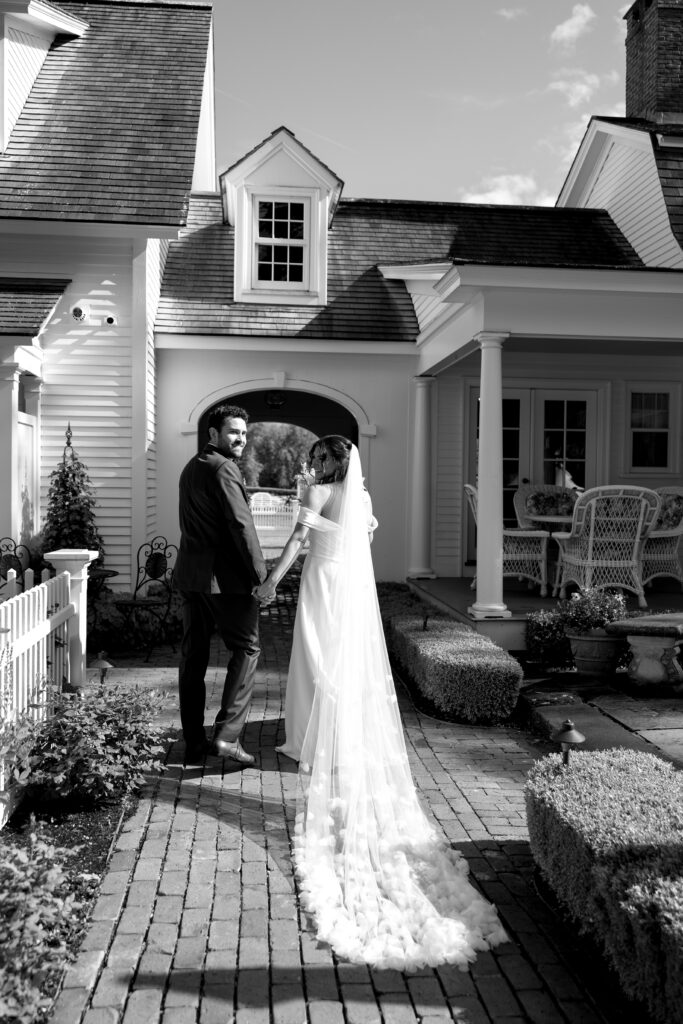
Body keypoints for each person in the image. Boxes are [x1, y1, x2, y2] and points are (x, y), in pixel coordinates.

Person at [254, 436, 507, 970]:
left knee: (317, 657)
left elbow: (300, 538)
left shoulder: (320, 494)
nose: (312, 465)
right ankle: (339, 730)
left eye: (318, 458)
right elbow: (365, 534)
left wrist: (271, 581)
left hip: (323, 581)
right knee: (340, 661)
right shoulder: (361, 496)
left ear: (329, 462)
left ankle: (307, 738)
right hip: (350, 585)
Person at [174, 404, 268, 765]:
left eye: (244, 432)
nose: (241, 438)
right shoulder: (224, 468)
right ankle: (227, 737)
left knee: (193, 658)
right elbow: (241, 526)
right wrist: (262, 577)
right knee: (247, 649)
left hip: (192, 578)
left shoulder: (191, 468)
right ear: (213, 434)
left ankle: (194, 743)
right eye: (233, 431)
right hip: (224, 581)